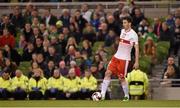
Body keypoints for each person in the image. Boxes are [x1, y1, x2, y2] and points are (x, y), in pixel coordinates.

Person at [101, 17, 139, 101]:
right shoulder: (122, 31)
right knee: (107, 73)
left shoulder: (134, 35)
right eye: (123, 23)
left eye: (125, 23)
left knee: (121, 78)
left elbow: (136, 49)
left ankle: (126, 95)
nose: (124, 24)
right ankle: (102, 95)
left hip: (124, 59)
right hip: (116, 57)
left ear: (130, 23)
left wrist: (136, 62)